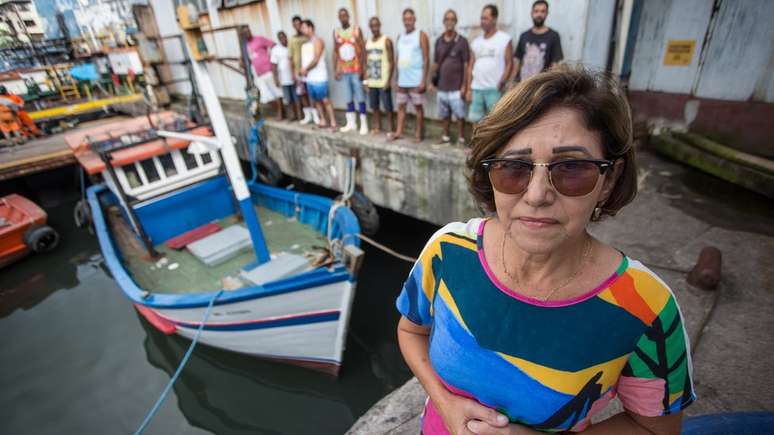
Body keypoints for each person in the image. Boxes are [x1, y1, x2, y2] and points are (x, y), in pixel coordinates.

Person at [396, 66, 695, 434]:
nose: (536, 195)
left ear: (609, 179)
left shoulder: (646, 307)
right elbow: (411, 332)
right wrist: (445, 404)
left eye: (571, 168)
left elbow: (656, 428)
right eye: (513, 168)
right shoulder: (448, 252)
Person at [466, 4, 512, 125]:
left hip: (494, 89)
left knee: (495, 122)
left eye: (485, 18)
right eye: (481, 18)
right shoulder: (476, 42)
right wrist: (469, 89)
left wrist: (502, 82)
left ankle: (495, 145)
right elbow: (471, 66)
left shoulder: (504, 39)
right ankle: (477, 144)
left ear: (495, 19)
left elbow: (509, 63)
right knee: (476, 121)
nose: (482, 21)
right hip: (477, 89)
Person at [389, 8, 429, 143]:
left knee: (418, 108)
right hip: (402, 80)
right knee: (401, 107)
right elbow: (397, 58)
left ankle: (419, 135)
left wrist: (424, 80)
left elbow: (426, 58)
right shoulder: (400, 37)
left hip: (416, 80)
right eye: (405, 19)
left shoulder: (421, 35)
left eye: (410, 19)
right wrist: (395, 78)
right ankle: (399, 132)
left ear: (415, 19)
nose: (408, 22)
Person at [431, 9, 469, 146]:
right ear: (443, 22)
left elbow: (466, 65)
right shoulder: (439, 41)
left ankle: (461, 139)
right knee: (444, 114)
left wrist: (465, 85)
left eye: (452, 19)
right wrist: (432, 81)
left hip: (456, 87)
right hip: (442, 86)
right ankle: (446, 137)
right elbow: (436, 63)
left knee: (459, 115)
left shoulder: (462, 41)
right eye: (447, 19)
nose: (450, 22)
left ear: (456, 22)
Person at [334, 8, 368, 134]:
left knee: (360, 96)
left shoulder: (356, 30)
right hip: (344, 70)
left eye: (345, 15)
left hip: (356, 69)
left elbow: (363, 50)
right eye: (340, 16)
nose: (343, 18)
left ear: (348, 16)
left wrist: (363, 69)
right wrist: (336, 68)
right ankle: (351, 123)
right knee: (348, 96)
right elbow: (336, 51)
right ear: (339, 18)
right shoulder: (336, 32)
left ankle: (363, 123)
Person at [299, 19, 337, 130]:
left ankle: (333, 122)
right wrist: (303, 71)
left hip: (319, 77)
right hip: (309, 78)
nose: (302, 30)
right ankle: (323, 120)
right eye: (301, 28)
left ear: (311, 28)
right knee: (316, 101)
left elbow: (316, 58)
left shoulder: (318, 41)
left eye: (304, 27)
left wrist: (305, 69)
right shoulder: (305, 45)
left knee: (325, 100)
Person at [513, 0, 564, 83]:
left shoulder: (553, 36)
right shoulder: (524, 35)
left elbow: (555, 65)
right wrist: (512, 83)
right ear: (531, 13)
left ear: (547, 13)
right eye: (536, 11)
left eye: (543, 11)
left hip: (540, 88)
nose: (539, 14)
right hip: (522, 85)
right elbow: (517, 61)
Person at [365, 16, 394, 134]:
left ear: (380, 25)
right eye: (372, 26)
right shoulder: (367, 42)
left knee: (388, 107)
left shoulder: (386, 40)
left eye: (376, 25)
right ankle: (377, 126)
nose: (375, 28)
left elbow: (392, 61)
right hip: (372, 81)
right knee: (374, 106)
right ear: (370, 27)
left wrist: (389, 81)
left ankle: (391, 128)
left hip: (383, 81)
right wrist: (365, 81)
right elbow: (364, 62)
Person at [288, 15, 315, 124]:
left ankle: (316, 114)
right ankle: (308, 115)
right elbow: (290, 57)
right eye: (295, 25)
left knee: (311, 94)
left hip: (310, 70)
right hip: (298, 71)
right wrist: (292, 72)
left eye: (299, 24)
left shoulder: (308, 38)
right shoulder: (292, 39)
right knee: (302, 94)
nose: (297, 26)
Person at [246, 34, 283, 112]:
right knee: (266, 97)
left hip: (268, 70)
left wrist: (269, 56)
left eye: (248, 30)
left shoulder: (259, 39)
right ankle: (278, 110)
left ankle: (281, 112)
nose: (247, 33)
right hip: (259, 74)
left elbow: (273, 45)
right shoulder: (245, 45)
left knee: (277, 92)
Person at [270, 31, 298, 121]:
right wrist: (275, 78)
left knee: (297, 97)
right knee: (288, 99)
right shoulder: (276, 50)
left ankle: (299, 115)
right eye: (281, 38)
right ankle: (292, 115)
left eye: (284, 37)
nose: (283, 39)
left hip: (294, 77)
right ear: (278, 39)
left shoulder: (291, 46)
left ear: (286, 37)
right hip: (284, 79)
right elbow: (273, 65)